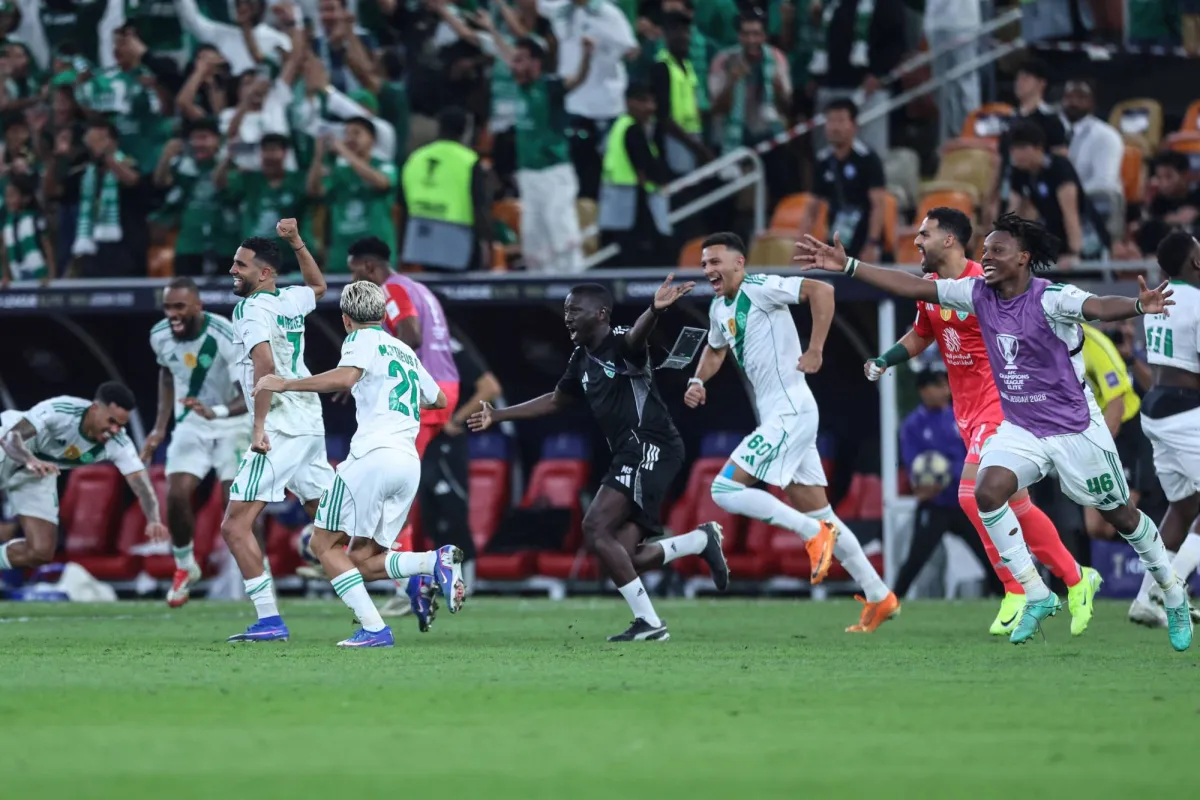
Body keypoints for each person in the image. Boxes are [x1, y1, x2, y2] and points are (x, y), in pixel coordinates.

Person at [796, 214, 1193, 650]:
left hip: (1074, 429)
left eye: (997, 251)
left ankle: (1172, 593)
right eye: (985, 251)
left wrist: (1137, 305)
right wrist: (849, 265)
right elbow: (911, 287)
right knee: (985, 493)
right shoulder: (976, 294)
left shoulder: (1050, 298)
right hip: (1021, 427)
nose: (986, 258)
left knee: (1122, 517)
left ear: (1023, 258)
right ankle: (1035, 593)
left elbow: (1097, 306)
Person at [865, 206, 1097, 635]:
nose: (916, 241)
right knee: (1016, 504)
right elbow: (923, 333)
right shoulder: (932, 290)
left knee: (971, 495)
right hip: (967, 411)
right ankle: (1076, 577)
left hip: (1002, 404)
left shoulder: (987, 283)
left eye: (924, 234)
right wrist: (885, 359)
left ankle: (1018, 588)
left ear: (949, 239)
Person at [467, 279, 728, 641]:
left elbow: (635, 339)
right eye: (565, 311)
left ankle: (650, 623)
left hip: (649, 446)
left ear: (601, 314)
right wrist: (498, 415)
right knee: (624, 556)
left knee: (595, 528)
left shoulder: (620, 342)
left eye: (575, 310)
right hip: (633, 451)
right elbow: (556, 400)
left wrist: (653, 311)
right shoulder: (581, 358)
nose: (567, 318)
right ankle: (699, 542)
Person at [686, 232, 898, 632]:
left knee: (724, 490)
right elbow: (715, 349)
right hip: (780, 415)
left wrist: (816, 348)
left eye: (715, 262)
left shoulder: (761, 287)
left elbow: (822, 290)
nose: (708, 270)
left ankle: (811, 534)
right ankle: (879, 595)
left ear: (739, 263)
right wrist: (697, 381)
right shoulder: (718, 308)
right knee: (823, 514)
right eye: (704, 264)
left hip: (790, 411)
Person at [251, 281, 467, 647]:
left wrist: (285, 383)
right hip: (406, 463)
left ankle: (375, 629)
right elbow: (437, 400)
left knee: (323, 545)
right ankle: (434, 561)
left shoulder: (359, 339)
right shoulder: (403, 349)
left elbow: (346, 376)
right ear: (383, 314)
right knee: (364, 561)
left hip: (371, 458)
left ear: (346, 319)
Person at [223, 220, 334, 643]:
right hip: (309, 423)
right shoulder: (290, 299)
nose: (233, 270)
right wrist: (298, 243)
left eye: (241, 265)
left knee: (235, 526)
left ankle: (269, 619)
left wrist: (257, 427)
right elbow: (319, 286)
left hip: (280, 427)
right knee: (329, 519)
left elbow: (265, 366)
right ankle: (412, 570)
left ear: (265, 272)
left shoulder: (250, 309)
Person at [346, 236, 461, 616]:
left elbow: (410, 335)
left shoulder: (391, 289)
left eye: (354, 272)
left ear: (368, 267)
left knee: (391, 489)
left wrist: (370, 362)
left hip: (421, 390)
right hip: (441, 386)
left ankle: (413, 581)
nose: (353, 280)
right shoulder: (418, 287)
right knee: (398, 487)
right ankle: (409, 579)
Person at [141, 277, 250, 609]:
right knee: (175, 493)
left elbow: (248, 393)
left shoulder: (226, 335)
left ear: (198, 306)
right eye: (167, 307)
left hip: (232, 422)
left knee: (237, 503)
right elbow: (166, 374)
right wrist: (159, 428)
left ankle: (258, 577)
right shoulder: (159, 336)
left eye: (180, 307)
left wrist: (217, 411)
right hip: (191, 423)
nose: (172, 314)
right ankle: (185, 565)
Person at [0, 382, 168, 571]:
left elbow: (141, 485)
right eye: (111, 421)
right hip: (11, 448)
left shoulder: (119, 443)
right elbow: (10, 438)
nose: (114, 430)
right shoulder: (62, 410)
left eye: (120, 425)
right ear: (94, 409)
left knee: (40, 552)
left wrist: (154, 519)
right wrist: (29, 460)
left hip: (38, 469)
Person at [1130, 231, 1200, 627]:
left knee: (1185, 506)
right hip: (1186, 409)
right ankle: (1170, 586)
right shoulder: (1198, 301)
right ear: (1196, 261)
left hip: (1156, 407)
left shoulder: (1159, 298)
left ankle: (1145, 598)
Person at [895, 369, 1001, 598]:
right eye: (939, 386)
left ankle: (1009, 597)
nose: (945, 391)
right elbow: (914, 464)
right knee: (916, 559)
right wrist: (924, 483)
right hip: (934, 504)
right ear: (924, 391)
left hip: (964, 502)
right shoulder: (913, 425)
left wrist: (952, 472)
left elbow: (973, 453)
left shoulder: (960, 416)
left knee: (988, 554)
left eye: (946, 385)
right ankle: (891, 601)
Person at [494, 33, 591, 272]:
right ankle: (539, 285)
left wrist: (587, 55)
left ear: (535, 63)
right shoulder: (521, 88)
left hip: (554, 172)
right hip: (528, 174)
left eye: (520, 60)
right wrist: (493, 30)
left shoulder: (550, 87)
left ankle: (574, 280)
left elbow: (577, 80)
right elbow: (508, 56)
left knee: (560, 230)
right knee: (533, 236)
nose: (513, 65)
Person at [398, 106, 493, 272]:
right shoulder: (468, 160)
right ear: (465, 130)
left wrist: (402, 244)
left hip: (421, 237)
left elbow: (402, 204)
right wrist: (488, 241)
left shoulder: (415, 158)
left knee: (432, 285)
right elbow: (479, 206)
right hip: (458, 237)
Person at [1007, 120, 1108, 264]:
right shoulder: (1019, 173)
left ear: (1038, 147)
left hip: (1085, 235)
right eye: (1013, 148)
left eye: (1022, 147)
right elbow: (1013, 213)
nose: (1017, 154)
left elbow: (1071, 213)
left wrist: (1074, 252)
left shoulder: (1059, 167)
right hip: (1054, 235)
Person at [306, 117, 397, 273]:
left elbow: (381, 183)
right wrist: (318, 156)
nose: (350, 138)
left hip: (376, 256)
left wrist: (344, 152)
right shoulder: (339, 171)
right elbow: (313, 191)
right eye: (346, 134)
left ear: (372, 139)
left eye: (356, 133)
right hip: (342, 256)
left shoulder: (384, 165)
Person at [598, 83, 675, 268]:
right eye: (644, 102)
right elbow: (645, 167)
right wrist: (660, 180)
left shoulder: (618, 125)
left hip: (617, 203)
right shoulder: (632, 129)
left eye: (652, 102)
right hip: (633, 203)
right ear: (630, 102)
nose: (650, 107)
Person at [1080, 325, 1143, 541]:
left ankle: (1157, 557)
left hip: (1124, 430)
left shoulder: (1094, 345)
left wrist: (1094, 452)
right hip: (1091, 431)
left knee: (1123, 520)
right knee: (1095, 527)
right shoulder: (1044, 346)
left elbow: (1117, 406)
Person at [807, 98, 887, 262]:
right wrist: (801, 245)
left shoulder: (868, 159)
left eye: (841, 121)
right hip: (837, 243)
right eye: (830, 121)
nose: (835, 127)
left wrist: (872, 244)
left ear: (854, 126)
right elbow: (811, 210)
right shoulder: (823, 161)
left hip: (865, 242)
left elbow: (878, 206)